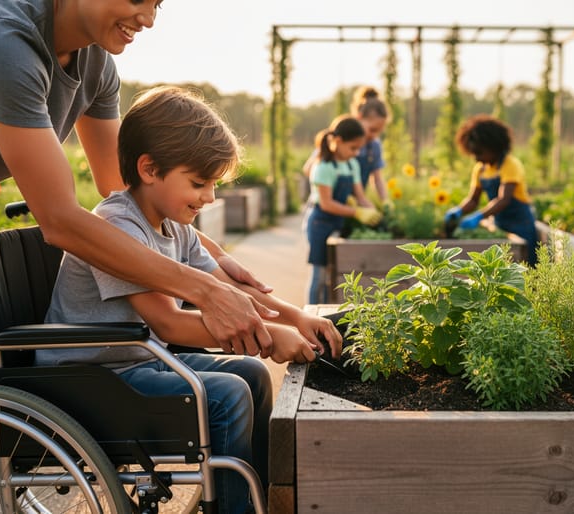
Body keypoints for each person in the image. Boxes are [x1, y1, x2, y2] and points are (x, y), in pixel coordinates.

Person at [0, 1, 274, 511]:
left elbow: (118, 187)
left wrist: (209, 257)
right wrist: (205, 290)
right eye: (139, 0)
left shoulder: (95, 63)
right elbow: (59, 220)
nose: (148, 17)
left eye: (158, 4)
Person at [36, 86, 342, 513]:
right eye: (199, 183)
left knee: (252, 374)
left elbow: (227, 290)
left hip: (138, 362)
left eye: (213, 184)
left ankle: (258, 496)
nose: (209, 198)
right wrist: (270, 337)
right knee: (228, 394)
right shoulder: (118, 227)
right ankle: (235, 506)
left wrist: (294, 317)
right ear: (149, 169)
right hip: (90, 379)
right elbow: (171, 325)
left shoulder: (175, 225)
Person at [305, 116, 382, 304]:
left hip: (338, 222)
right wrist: (356, 213)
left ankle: (326, 316)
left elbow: (360, 196)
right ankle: (312, 313)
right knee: (320, 275)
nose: (357, 153)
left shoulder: (351, 164)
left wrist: (375, 213)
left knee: (335, 274)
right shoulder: (323, 167)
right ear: (338, 142)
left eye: (359, 148)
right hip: (320, 223)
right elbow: (327, 204)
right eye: (353, 148)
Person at [444, 114, 539, 267]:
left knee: (525, 266)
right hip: (499, 225)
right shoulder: (480, 169)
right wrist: (459, 211)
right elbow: (473, 199)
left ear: (494, 147)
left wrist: (478, 217)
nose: (476, 158)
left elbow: (504, 199)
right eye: (473, 154)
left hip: (520, 224)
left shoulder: (510, 165)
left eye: (479, 153)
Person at [302, 86, 390, 201]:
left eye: (379, 132)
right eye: (372, 130)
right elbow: (308, 169)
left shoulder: (374, 146)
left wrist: (385, 201)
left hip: (354, 206)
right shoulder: (342, 136)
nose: (374, 136)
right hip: (329, 204)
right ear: (359, 117)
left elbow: (377, 178)